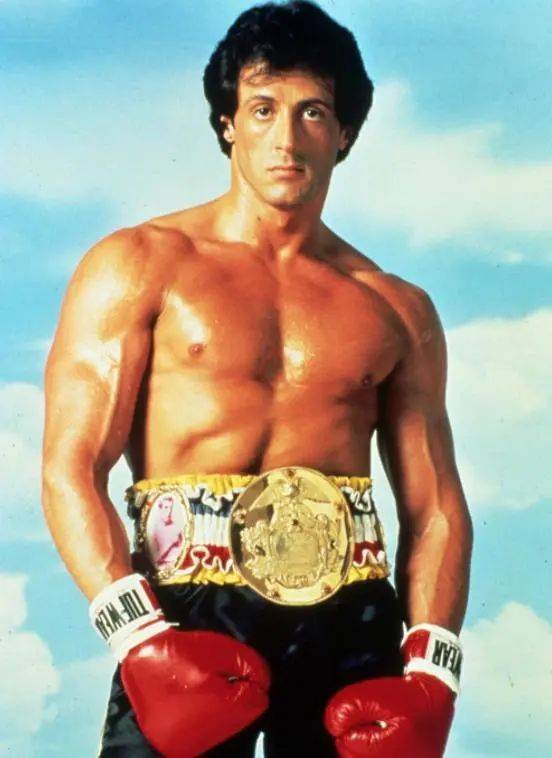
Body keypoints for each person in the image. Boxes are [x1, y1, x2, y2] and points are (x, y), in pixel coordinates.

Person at [42, 1, 473, 756]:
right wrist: (138, 637)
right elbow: (70, 466)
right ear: (228, 125)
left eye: (313, 113)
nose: (287, 138)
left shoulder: (397, 308)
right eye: (264, 108)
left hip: (350, 622)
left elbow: (434, 505)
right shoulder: (140, 264)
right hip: (184, 615)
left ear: (344, 135)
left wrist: (434, 673)